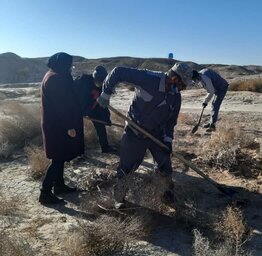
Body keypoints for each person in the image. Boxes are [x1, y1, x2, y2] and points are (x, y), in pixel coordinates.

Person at [97, 62, 193, 203]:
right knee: (127, 167)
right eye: (183, 84)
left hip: (157, 134)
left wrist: (167, 140)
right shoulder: (148, 78)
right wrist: (106, 93)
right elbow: (118, 72)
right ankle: (119, 197)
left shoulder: (175, 97)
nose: (183, 88)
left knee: (164, 165)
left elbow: (170, 121)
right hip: (135, 131)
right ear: (175, 79)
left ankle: (165, 193)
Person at [39, 52, 84, 205]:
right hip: (57, 125)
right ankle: (45, 193)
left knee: (60, 156)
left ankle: (59, 186)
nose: (70, 68)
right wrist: (69, 126)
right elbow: (61, 106)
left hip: (55, 124)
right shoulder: (55, 79)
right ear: (62, 64)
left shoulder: (52, 74)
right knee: (58, 158)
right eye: (69, 65)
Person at [74, 65, 116, 153]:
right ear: (94, 77)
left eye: (102, 82)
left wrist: (106, 118)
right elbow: (71, 93)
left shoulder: (104, 86)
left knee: (101, 128)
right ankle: (77, 151)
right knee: (77, 130)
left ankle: (105, 148)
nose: (100, 83)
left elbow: (103, 105)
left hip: (94, 108)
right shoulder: (83, 80)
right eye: (99, 81)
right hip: (78, 108)